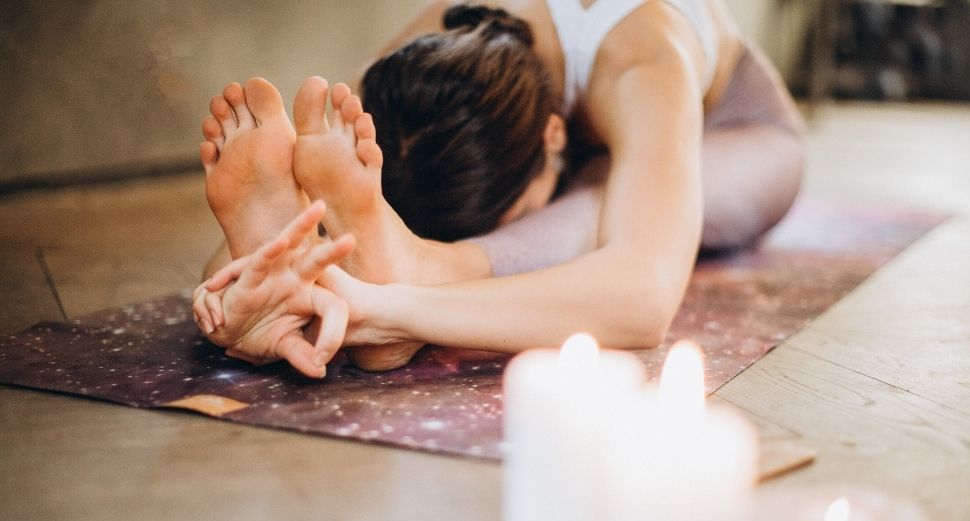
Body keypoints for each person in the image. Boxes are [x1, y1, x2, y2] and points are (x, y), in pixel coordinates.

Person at [192, 0, 806, 377]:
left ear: (555, 134)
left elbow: (643, 294)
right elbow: (326, 155)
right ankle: (386, 254)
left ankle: (428, 265)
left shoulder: (644, 60)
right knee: (367, 189)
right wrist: (262, 271)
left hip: (741, 136)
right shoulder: (444, 40)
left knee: (603, 199)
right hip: (585, 144)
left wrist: (389, 312)